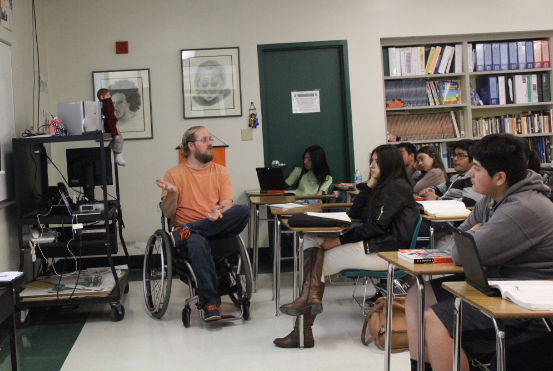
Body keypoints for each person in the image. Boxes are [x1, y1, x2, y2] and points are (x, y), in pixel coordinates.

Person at [404, 133, 553, 371]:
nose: (469, 174)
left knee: (439, 321)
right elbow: (461, 238)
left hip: (529, 307)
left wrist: (473, 236)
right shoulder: (494, 198)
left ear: (499, 177)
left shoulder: (524, 208)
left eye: (476, 168)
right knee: (417, 296)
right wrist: (475, 234)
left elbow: (461, 253)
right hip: (498, 286)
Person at [273, 144, 420, 348]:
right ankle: (310, 300)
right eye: (372, 160)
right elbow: (355, 214)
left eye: (377, 161)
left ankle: (303, 328)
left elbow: (376, 226)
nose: (372, 165)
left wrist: (338, 241)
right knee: (310, 238)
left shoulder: (395, 187)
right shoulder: (383, 185)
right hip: (374, 244)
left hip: (386, 251)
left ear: (389, 163)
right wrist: (369, 185)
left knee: (318, 266)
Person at [156, 126, 250, 321]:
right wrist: (172, 194)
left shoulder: (221, 172)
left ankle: (188, 229)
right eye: (205, 140)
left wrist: (219, 211)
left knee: (243, 210)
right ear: (191, 146)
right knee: (197, 241)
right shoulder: (174, 174)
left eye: (210, 139)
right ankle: (211, 304)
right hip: (193, 240)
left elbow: (226, 203)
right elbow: (167, 212)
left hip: (215, 228)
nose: (210, 143)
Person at [419, 139, 482, 207]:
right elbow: (438, 189)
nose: (455, 158)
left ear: (473, 159)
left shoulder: (472, 178)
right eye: (454, 155)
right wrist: (429, 190)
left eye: (460, 155)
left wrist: (438, 199)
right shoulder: (455, 177)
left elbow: (470, 202)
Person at [96, 88, 126, 167]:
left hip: (108, 126)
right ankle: (118, 156)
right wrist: (115, 133)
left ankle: (110, 149)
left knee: (119, 138)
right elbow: (110, 120)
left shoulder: (105, 105)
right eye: (108, 95)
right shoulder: (106, 105)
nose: (110, 96)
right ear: (102, 97)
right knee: (119, 139)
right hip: (108, 127)